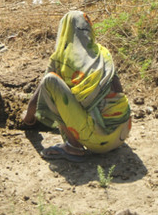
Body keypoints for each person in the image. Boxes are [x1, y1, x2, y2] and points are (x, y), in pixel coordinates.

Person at [22, 10, 131, 161]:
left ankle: (73, 147)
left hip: (98, 141)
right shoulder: (102, 53)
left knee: (50, 81)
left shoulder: (61, 58)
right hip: (122, 133)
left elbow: (40, 93)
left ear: (64, 31)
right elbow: (118, 91)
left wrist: (28, 119)